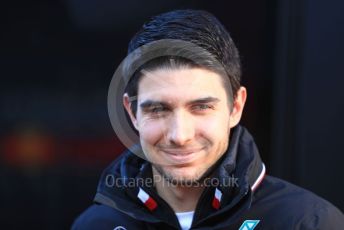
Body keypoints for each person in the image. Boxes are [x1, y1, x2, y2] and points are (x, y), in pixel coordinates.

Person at [72, 9, 344, 230]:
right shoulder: (95, 226)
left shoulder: (307, 223)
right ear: (132, 113)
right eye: (158, 110)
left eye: (200, 107)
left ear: (236, 107)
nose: (180, 135)